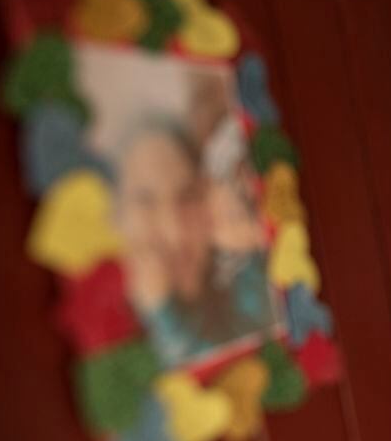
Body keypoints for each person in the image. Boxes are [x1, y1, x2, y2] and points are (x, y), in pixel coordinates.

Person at [113, 117, 276, 366]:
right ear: (117, 214)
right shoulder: (114, 335)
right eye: (145, 201)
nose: (173, 230)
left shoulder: (240, 279)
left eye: (187, 197)